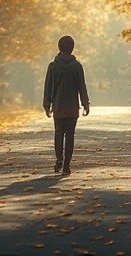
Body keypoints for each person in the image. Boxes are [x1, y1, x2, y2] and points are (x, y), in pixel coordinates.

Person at [42, 35, 90, 175]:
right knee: (70, 135)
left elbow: (48, 87)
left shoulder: (53, 66)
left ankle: (59, 159)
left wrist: (47, 104)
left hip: (58, 106)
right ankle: (67, 166)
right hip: (72, 107)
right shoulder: (77, 66)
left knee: (58, 133)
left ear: (59, 47)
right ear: (72, 48)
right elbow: (82, 87)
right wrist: (85, 104)